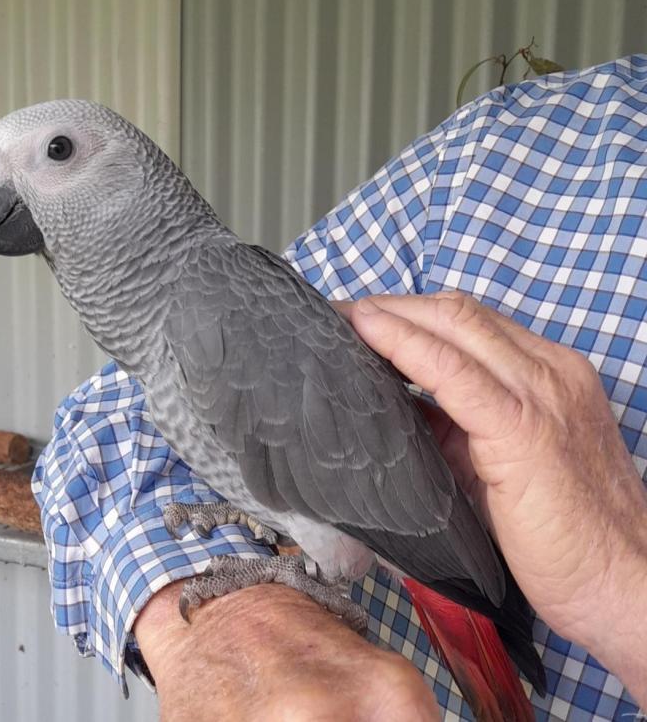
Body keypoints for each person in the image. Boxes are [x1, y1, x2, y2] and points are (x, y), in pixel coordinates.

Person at [33, 55, 647, 720]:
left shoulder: (212, 297)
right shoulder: (485, 156)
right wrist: (244, 620)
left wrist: (622, 588)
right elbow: (95, 427)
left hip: (434, 574)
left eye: (59, 151)